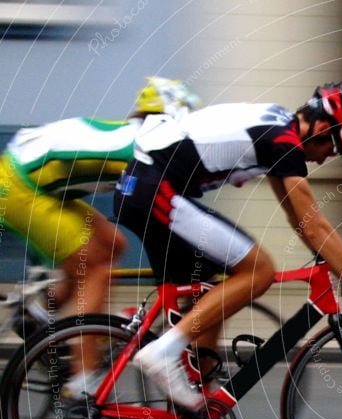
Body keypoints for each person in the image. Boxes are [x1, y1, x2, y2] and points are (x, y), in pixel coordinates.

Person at [114, 83, 342, 419]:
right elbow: (313, 226)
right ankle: (163, 353)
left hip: (145, 187)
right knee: (258, 270)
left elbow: (300, 221)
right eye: (331, 147)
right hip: (155, 190)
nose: (325, 158)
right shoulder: (282, 140)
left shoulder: (279, 131)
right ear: (320, 128)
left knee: (209, 290)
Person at [0, 76, 202, 394]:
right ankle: (82, 378)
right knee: (94, 267)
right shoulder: (140, 149)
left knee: (113, 244)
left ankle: (45, 321)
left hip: (39, 183)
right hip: (19, 186)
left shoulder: (139, 137)